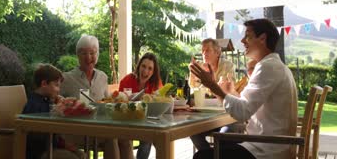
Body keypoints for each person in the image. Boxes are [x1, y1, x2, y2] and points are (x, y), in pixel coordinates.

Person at [189, 18, 298, 159]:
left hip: (264, 150)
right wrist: (228, 92)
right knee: (208, 152)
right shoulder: (274, 65)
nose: (242, 40)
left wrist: (212, 85)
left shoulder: (268, 66)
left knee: (202, 156)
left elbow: (242, 113)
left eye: (247, 36)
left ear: (262, 38)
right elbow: (245, 105)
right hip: (268, 146)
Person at [60, 35, 133, 159]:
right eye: (84, 53)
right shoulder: (66, 78)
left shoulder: (102, 77)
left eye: (92, 53)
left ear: (97, 55)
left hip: (99, 127)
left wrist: (118, 99)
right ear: (78, 55)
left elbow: (107, 101)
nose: (88, 57)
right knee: (111, 137)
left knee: (125, 138)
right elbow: (56, 102)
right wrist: (67, 104)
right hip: (76, 130)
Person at [22, 64, 85, 159]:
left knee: (81, 154)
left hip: (50, 146)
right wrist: (55, 112)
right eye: (56, 85)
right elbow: (38, 132)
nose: (58, 90)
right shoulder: (34, 104)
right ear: (44, 84)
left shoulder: (46, 101)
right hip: (38, 152)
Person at [118, 52, 163, 159]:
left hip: (148, 122)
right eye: (143, 66)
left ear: (153, 71)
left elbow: (161, 103)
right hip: (127, 121)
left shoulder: (156, 83)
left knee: (149, 137)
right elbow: (118, 103)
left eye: (150, 68)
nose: (145, 71)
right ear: (138, 66)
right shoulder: (127, 80)